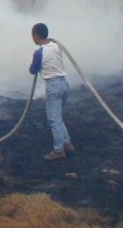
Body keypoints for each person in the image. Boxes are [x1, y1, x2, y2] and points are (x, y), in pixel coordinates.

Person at [29, 22, 75, 160]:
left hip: (53, 86)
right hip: (64, 84)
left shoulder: (39, 53)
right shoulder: (56, 46)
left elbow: (32, 70)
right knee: (58, 118)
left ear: (36, 36)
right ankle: (67, 144)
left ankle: (58, 151)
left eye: (33, 36)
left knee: (54, 120)